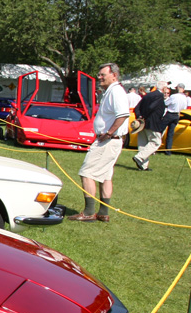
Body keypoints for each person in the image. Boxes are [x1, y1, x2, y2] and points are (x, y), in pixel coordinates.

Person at [68, 63, 129, 222]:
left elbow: (122, 115)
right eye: (99, 74)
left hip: (108, 141)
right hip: (111, 140)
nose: (99, 77)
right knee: (105, 176)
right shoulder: (112, 91)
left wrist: (109, 133)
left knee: (86, 173)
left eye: (103, 75)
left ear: (114, 75)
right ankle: (103, 213)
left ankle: (89, 212)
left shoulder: (116, 91)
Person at [132, 85, 166, 170]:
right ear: (163, 88)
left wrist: (140, 117)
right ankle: (139, 157)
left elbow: (137, 108)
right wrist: (144, 116)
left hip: (142, 123)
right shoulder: (159, 95)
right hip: (152, 122)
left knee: (143, 143)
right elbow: (151, 107)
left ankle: (143, 166)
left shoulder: (148, 95)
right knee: (156, 142)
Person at [163, 84, 188, 154]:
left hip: (170, 114)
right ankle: (168, 150)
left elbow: (166, 103)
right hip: (177, 115)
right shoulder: (184, 97)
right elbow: (184, 107)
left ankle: (155, 147)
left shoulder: (174, 96)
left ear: (179, 88)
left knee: (160, 129)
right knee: (170, 133)